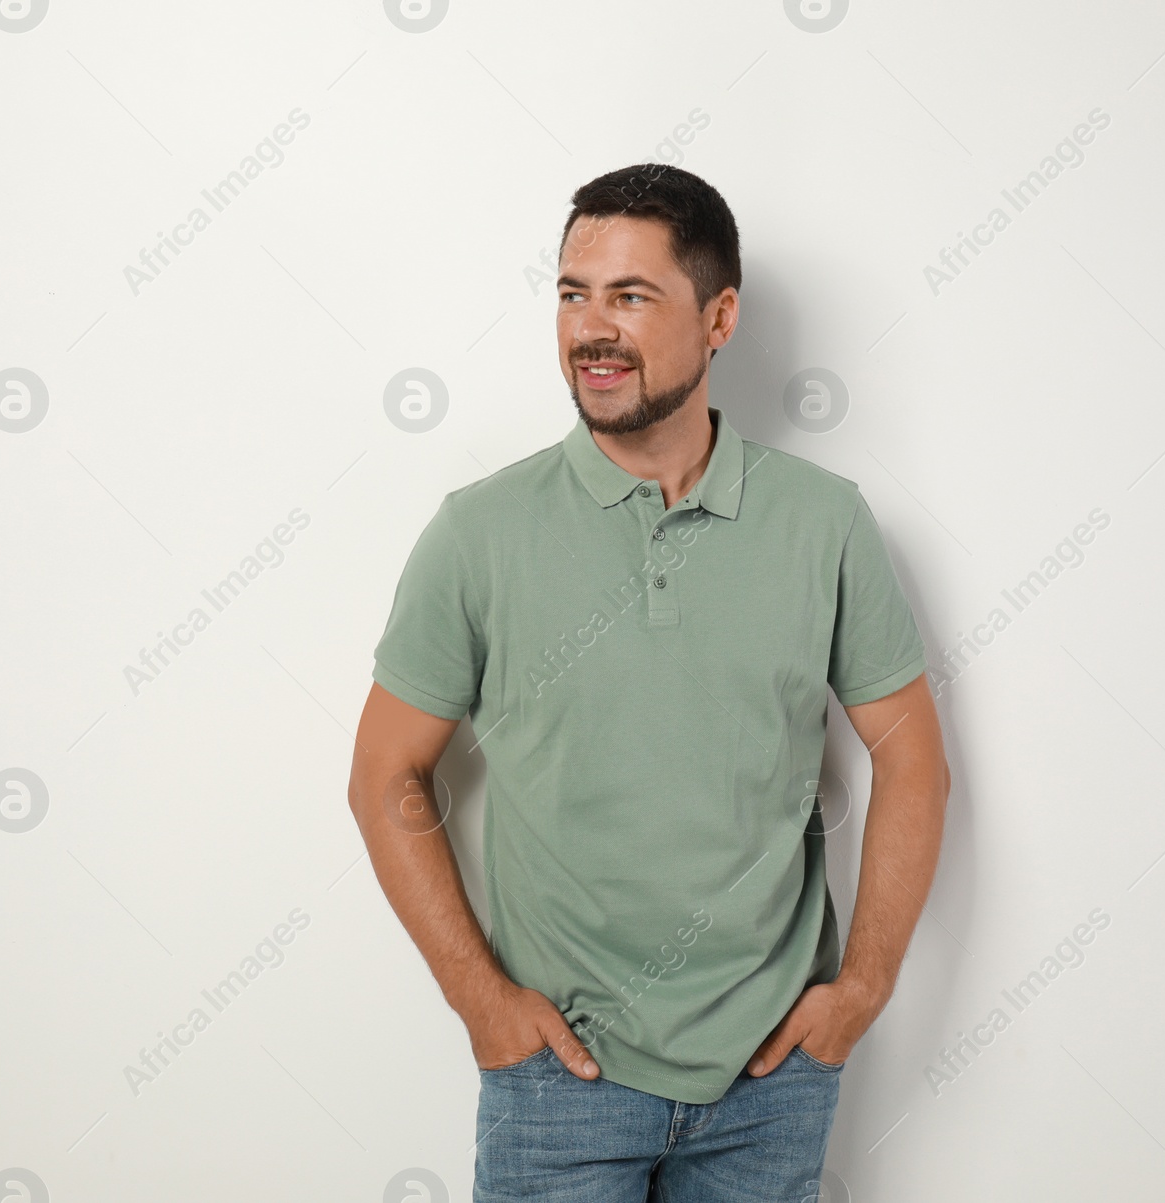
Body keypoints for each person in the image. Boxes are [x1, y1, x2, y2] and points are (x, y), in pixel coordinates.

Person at [349, 163, 951, 1202]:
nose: (591, 328)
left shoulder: (823, 523)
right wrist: (482, 1004)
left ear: (718, 318)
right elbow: (384, 777)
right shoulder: (480, 533)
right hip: (560, 1082)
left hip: (772, 1081)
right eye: (572, 292)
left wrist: (861, 990)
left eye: (630, 296)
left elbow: (912, 760)